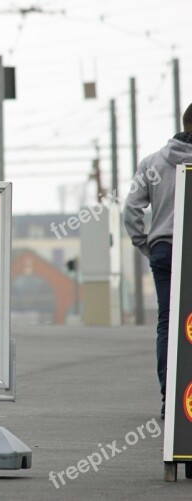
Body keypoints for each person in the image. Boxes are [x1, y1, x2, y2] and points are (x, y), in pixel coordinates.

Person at [124, 103, 192, 420]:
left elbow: (131, 211)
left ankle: (171, 401)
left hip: (164, 249)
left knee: (169, 323)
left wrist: (147, 244)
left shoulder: (153, 162)